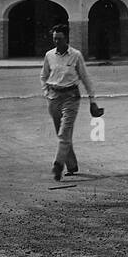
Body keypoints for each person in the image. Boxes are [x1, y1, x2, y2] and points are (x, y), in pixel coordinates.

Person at [39, 24, 96, 181]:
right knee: (62, 133)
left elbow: (85, 78)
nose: (57, 42)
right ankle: (71, 164)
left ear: (67, 39)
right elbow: (43, 76)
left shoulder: (76, 55)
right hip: (54, 98)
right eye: (54, 39)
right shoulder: (49, 55)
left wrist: (92, 100)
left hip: (71, 98)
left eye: (60, 39)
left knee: (64, 132)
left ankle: (58, 165)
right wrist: (46, 92)